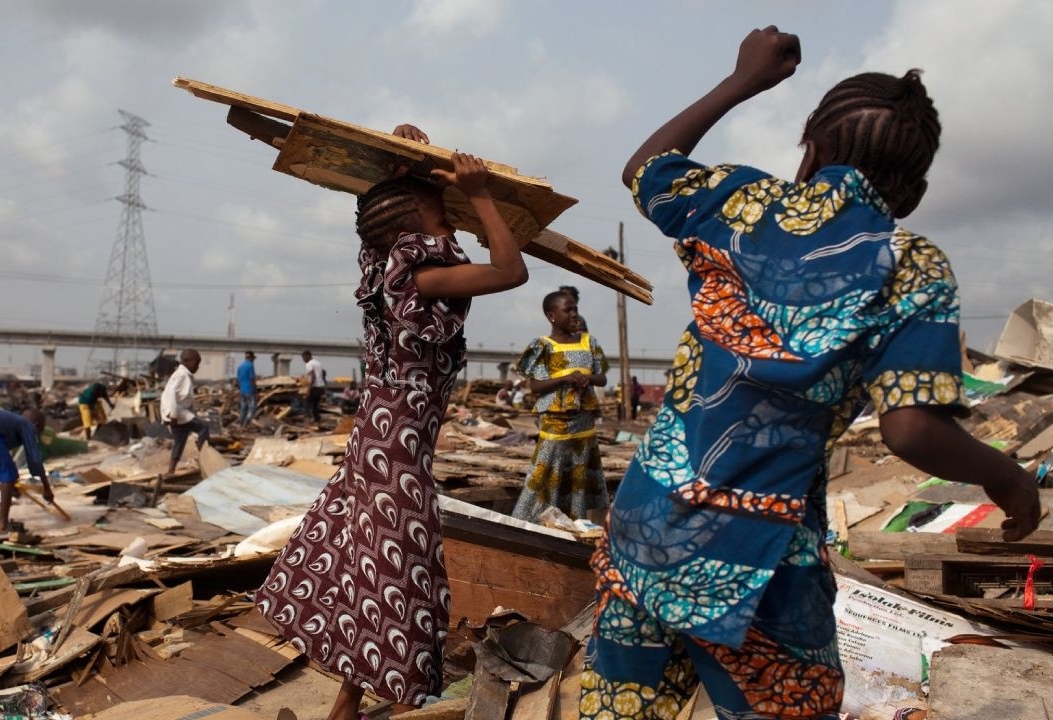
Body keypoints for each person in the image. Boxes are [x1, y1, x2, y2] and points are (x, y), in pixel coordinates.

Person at [580, 26, 1042, 720]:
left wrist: (744, 80)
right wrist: (1008, 478)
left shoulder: (737, 202)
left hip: (646, 522)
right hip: (759, 557)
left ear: (811, 149)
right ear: (912, 193)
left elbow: (645, 168)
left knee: (624, 704)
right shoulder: (909, 264)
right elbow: (912, 428)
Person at [255, 125, 528, 720]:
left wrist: (405, 163)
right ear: (413, 232)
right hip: (396, 451)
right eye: (443, 219)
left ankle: (346, 702)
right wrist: (481, 194)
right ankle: (364, 694)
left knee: (367, 558)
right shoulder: (422, 277)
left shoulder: (389, 270)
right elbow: (511, 271)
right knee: (392, 566)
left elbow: (383, 215)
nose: (453, 227)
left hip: (379, 436)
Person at [512, 289, 609, 523]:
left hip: (584, 423)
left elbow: (602, 378)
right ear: (552, 316)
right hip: (555, 423)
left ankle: (573, 524)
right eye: (568, 310)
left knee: (578, 475)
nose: (574, 314)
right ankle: (530, 522)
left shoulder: (589, 342)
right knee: (544, 473)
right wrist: (565, 378)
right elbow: (535, 386)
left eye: (576, 308)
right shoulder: (542, 346)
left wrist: (586, 378)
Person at [161, 349, 210, 476]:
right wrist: (173, 415)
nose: (197, 367)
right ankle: (203, 455)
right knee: (204, 427)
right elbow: (171, 394)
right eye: (196, 363)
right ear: (186, 361)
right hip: (176, 413)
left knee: (180, 441)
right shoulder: (181, 375)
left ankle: (170, 471)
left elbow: (185, 399)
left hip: (178, 413)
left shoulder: (184, 374)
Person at [300, 350, 327, 423]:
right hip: (320, 387)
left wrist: (308, 389)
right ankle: (317, 419)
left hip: (314, 386)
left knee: (306, 402)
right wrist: (324, 387)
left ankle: (307, 420)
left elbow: (313, 376)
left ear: (307, 356)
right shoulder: (318, 363)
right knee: (315, 404)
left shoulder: (309, 364)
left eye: (303, 358)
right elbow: (324, 374)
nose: (303, 360)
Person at [237, 350, 258, 426]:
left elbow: (238, 380)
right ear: (251, 358)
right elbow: (252, 378)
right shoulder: (250, 365)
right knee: (252, 407)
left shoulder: (240, 366)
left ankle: (241, 423)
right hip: (250, 390)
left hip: (242, 390)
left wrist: (241, 388)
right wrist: (255, 389)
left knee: (243, 407)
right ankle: (247, 423)